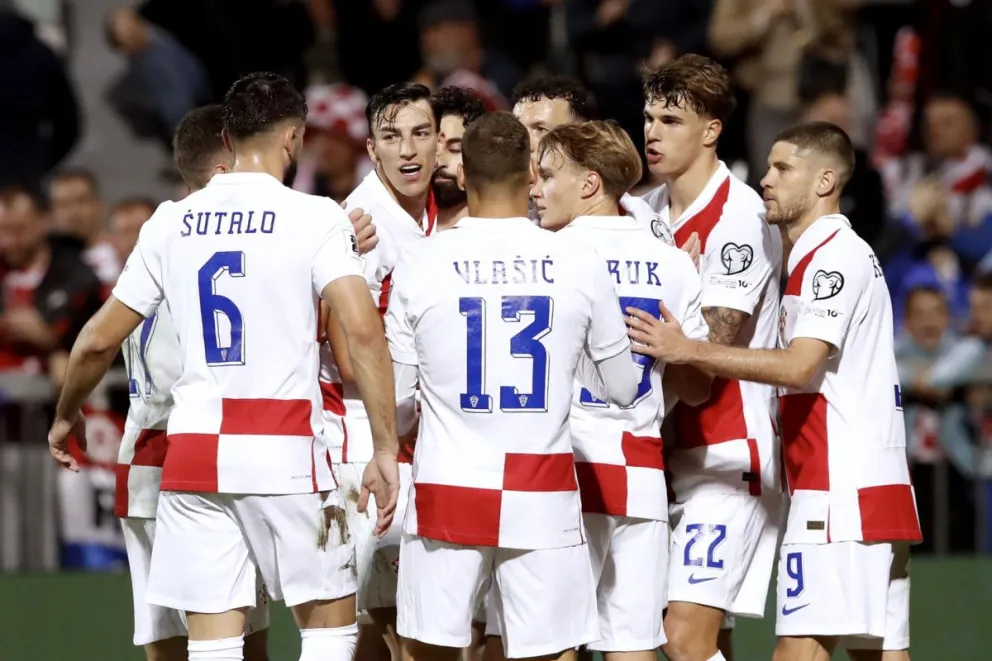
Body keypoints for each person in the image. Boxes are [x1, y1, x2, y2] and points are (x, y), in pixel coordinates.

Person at [48, 72, 400, 661]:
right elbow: (363, 332)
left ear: (229, 137)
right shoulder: (315, 217)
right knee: (327, 630)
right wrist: (385, 446)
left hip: (195, 457)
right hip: (288, 449)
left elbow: (93, 342)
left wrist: (64, 415)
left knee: (213, 647)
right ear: (293, 139)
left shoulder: (169, 221)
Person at [626, 121, 921, 661]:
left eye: (783, 169)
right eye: (767, 167)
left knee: (798, 652)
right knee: (880, 653)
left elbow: (799, 366)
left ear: (825, 180)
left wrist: (689, 349)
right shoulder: (823, 254)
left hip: (837, 490)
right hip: (867, 487)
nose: (765, 180)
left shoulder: (832, 257)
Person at [386, 110, 640, 661]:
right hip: (541, 489)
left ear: (460, 174)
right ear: (530, 172)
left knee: (428, 651)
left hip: (447, 486)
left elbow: (400, 406)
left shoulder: (420, 262)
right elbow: (624, 388)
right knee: (550, 653)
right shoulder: (578, 260)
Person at [530, 119, 712, 661]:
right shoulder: (676, 264)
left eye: (546, 176)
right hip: (641, 471)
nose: (535, 189)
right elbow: (698, 388)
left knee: (554, 641)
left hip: (567, 468)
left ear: (589, 184)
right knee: (632, 646)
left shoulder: (547, 256)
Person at [637, 54, 783, 661]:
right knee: (696, 638)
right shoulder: (640, 213)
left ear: (712, 129)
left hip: (730, 454)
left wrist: (679, 293)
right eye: (648, 117)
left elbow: (711, 350)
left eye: (671, 120)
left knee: (680, 637)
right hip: (662, 452)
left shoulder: (740, 215)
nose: (651, 132)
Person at [323, 81, 439, 661]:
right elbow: (349, 351)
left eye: (421, 133)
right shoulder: (362, 223)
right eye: (392, 137)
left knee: (396, 617)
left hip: (416, 437)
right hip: (360, 437)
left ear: (440, 142)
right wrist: (384, 444)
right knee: (344, 616)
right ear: (372, 149)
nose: (408, 150)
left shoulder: (441, 217)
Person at [510, 73, 696, 257]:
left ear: (582, 135)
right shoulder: (495, 212)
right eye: (518, 129)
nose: (524, 141)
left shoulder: (637, 217)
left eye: (541, 130)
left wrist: (673, 272)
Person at [430, 86, 488, 231]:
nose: (440, 160)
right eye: (432, 149)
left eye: (455, 149)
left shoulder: (495, 236)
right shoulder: (400, 232)